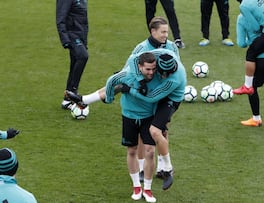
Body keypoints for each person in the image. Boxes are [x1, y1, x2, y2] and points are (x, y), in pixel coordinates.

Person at [65, 16, 179, 181]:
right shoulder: (142, 47)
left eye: (167, 32)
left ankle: (162, 167)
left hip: (162, 92)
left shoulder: (171, 47)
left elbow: (176, 67)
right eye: (162, 32)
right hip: (144, 92)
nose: (165, 35)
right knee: (143, 132)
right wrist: (136, 82)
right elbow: (129, 67)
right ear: (153, 31)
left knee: (163, 129)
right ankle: (141, 169)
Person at [118, 48, 186, 190]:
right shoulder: (160, 54)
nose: (165, 76)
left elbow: (152, 98)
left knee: (155, 131)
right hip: (157, 95)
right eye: (162, 73)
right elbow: (133, 59)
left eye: (169, 73)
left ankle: (167, 168)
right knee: (158, 131)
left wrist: (130, 90)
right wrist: (141, 80)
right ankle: (85, 100)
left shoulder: (174, 78)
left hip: (170, 99)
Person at [104, 52, 159, 202]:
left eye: (153, 69)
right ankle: (136, 186)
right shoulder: (127, 75)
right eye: (148, 69)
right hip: (129, 117)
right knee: (132, 150)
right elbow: (111, 81)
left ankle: (147, 188)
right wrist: (108, 98)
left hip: (148, 118)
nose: (151, 72)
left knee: (150, 152)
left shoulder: (157, 78)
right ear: (139, 67)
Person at [56, 0, 89, 110]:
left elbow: (83, 20)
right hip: (72, 35)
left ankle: (67, 99)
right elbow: (60, 18)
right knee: (83, 56)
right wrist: (65, 39)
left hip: (81, 35)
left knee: (75, 63)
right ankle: (72, 92)